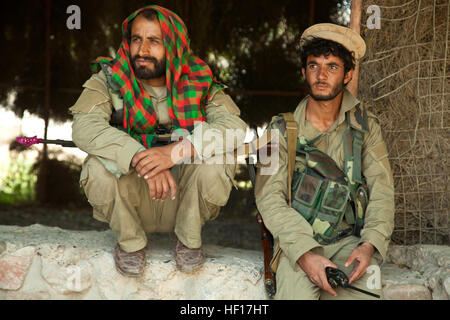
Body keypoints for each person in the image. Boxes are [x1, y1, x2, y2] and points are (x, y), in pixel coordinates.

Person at [69, 5, 247, 277]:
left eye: (154, 41)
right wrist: (142, 157)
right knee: (97, 166)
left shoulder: (201, 82)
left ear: (173, 46)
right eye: (136, 39)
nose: (141, 50)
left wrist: (173, 153)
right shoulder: (110, 80)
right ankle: (130, 242)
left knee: (219, 157)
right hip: (133, 195)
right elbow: (84, 127)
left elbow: (234, 128)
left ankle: (188, 239)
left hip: (183, 196)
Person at [254, 23, 395, 299]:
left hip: (348, 243)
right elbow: (268, 197)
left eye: (332, 66)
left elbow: (382, 190)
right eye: (313, 65)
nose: (321, 74)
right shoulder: (277, 131)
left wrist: (369, 245)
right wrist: (306, 255)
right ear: (303, 72)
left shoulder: (367, 128)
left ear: (347, 74)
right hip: (296, 245)